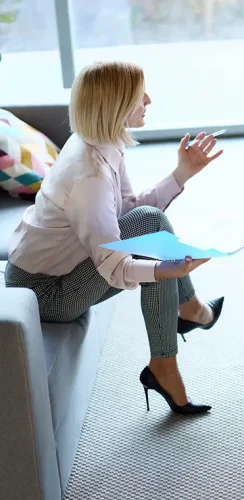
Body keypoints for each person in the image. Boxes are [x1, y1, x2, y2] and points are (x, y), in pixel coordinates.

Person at [5, 62, 226, 415]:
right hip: (43, 293)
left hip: (54, 272)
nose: (149, 100)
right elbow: (113, 265)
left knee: (150, 223)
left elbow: (128, 211)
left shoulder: (100, 143)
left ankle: (184, 322)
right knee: (154, 241)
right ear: (117, 104)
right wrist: (165, 270)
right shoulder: (88, 176)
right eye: (140, 95)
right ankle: (179, 335)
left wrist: (182, 173)